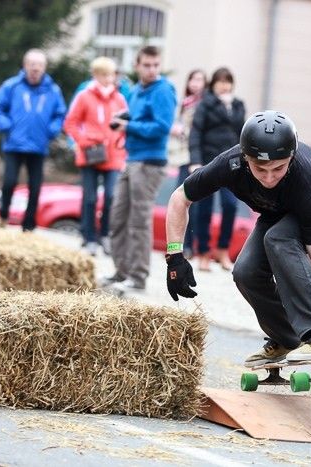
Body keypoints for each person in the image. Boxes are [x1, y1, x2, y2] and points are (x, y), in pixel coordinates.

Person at [165, 110, 311, 365]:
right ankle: (287, 338)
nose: (269, 177)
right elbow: (180, 197)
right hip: (279, 210)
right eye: (260, 168)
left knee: (278, 238)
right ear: (245, 158)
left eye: (278, 168)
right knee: (245, 271)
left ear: (291, 157)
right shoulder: (229, 164)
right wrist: (175, 257)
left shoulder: (307, 176)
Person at [103, 45, 177, 292]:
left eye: (155, 65)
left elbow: (162, 127)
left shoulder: (163, 90)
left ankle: (138, 276)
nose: (152, 70)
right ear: (137, 65)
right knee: (117, 218)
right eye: (146, 65)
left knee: (138, 221)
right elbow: (137, 115)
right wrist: (122, 119)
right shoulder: (135, 91)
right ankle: (121, 271)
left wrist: (129, 127)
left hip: (150, 163)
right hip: (131, 159)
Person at [0, 48, 67, 232]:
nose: (35, 69)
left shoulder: (53, 90)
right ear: (25, 66)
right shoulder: (12, 86)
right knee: (9, 182)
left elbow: (60, 114)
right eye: (32, 65)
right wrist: (6, 125)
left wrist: (52, 130)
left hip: (38, 145)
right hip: (14, 144)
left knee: (35, 187)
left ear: (44, 68)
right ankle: (4, 215)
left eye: (39, 65)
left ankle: (28, 225)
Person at [63, 57, 128, 256]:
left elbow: (125, 124)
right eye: (105, 75)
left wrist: (121, 143)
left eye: (111, 75)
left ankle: (105, 235)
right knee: (90, 198)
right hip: (90, 154)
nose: (109, 79)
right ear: (96, 75)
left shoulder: (119, 99)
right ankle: (89, 237)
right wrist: (83, 141)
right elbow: (70, 123)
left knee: (110, 196)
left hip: (113, 155)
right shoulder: (84, 96)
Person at [188, 67, 246, 272]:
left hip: (231, 164)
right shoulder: (205, 104)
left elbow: (242, 133)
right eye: (221, 82)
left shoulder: (237, 105)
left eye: (228, 82)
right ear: (213, 84)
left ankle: (223, 250)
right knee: (204, 209)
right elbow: (196, 132)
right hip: (208, 161)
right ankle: (203, 253)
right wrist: (195, 161)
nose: (224, 86)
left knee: (230, 205)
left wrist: (228, 106)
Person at [170, 69, 208, 259]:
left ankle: (191, 246)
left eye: (199, 79)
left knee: (193, 202)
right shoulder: (185, 103)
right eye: (192, 79)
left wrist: (184, 130)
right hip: (182, 156)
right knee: (180, 199)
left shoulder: (205, 104)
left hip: (196, 157)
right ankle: (180, 246)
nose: (195, 83)